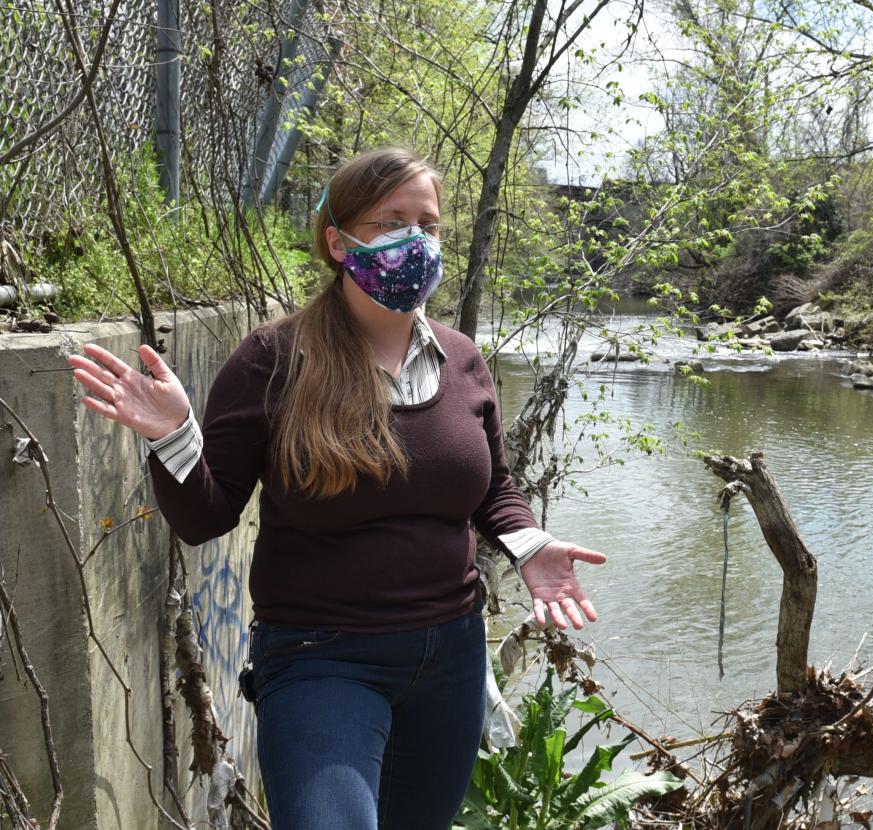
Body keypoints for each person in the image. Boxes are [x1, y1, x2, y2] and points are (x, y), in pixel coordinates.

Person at [66, 147, 606, 829]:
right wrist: (173, 434)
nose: (416, 240)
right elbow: (206, 516)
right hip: (323, 659)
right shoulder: (273, 360)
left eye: (428, 225)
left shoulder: (462, 358)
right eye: (391, 223)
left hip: (451, 657)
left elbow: (492, 485)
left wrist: (531, 547)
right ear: (337, 240)